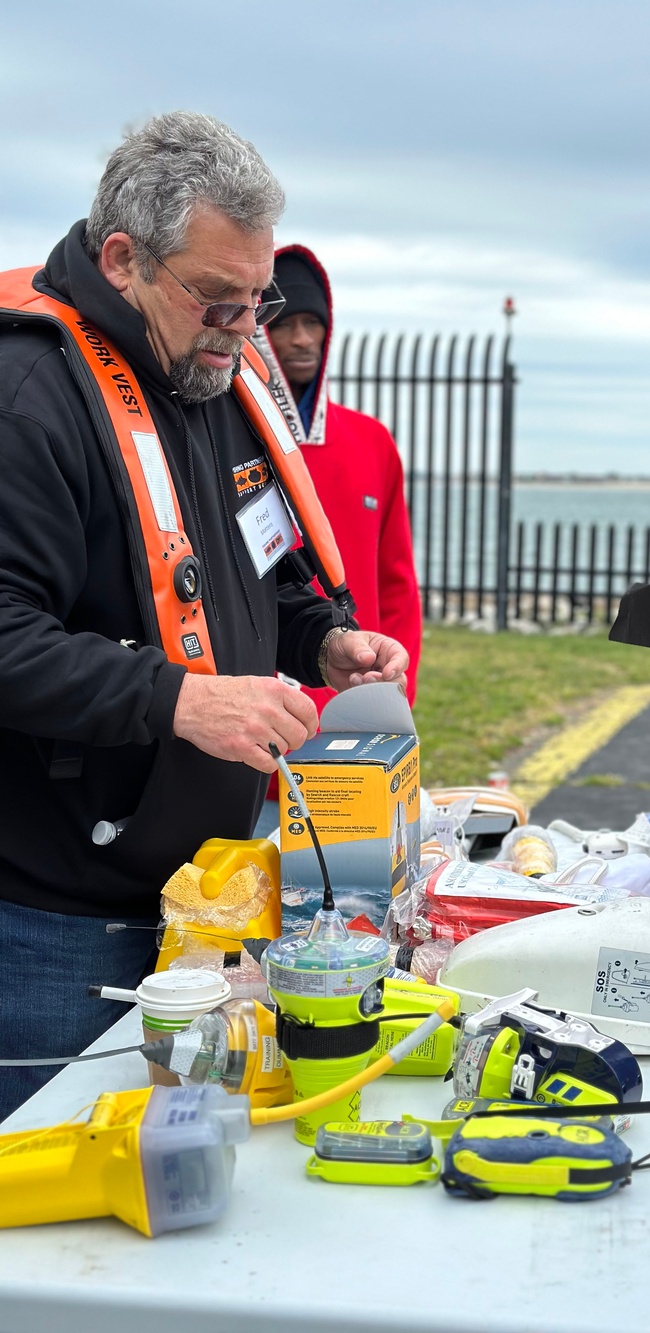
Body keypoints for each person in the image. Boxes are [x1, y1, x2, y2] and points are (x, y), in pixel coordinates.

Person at [0, 112, 407, 1121]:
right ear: (123, 259)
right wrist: (177, 698)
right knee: (52, 1243)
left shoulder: (211, 376)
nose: (244, 327)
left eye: (255, 298)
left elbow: (256, 564)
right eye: (218, 299)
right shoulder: (29, 395)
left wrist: (321, 633)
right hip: (60, 915)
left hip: (207, 891)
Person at [252, 244, 421, 721]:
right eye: (283, 324)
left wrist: (395, 692)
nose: (303, 339)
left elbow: (398, 584)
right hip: (256, 713)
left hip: (357, 690)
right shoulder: (228, 436)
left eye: (314, 323)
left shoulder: (371, 441)